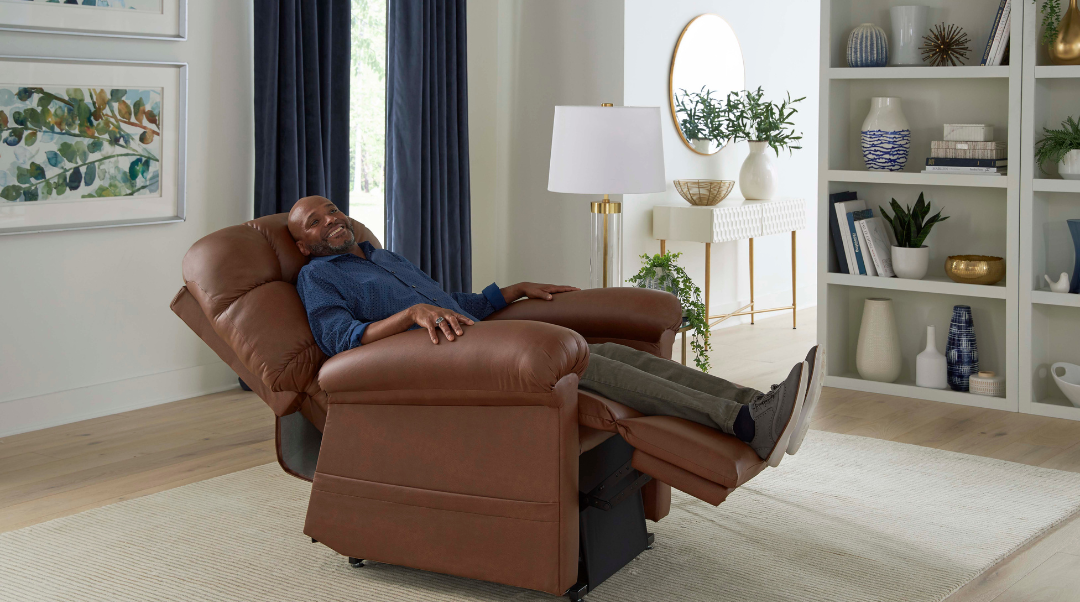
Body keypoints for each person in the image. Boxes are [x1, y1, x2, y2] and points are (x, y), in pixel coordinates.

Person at [289, 196, 822, 468]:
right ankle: (745, 423)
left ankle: (756, 405)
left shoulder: (383, 255)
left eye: (332, 210)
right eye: (313, 222)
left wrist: (509, 292)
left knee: (609, 352)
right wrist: (410, 317)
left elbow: (451, 305)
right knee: (592, 364)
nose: (329, 220)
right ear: (303, 244)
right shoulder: (318, 276)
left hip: (470, 334)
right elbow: (339, 339)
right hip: (437, 359)